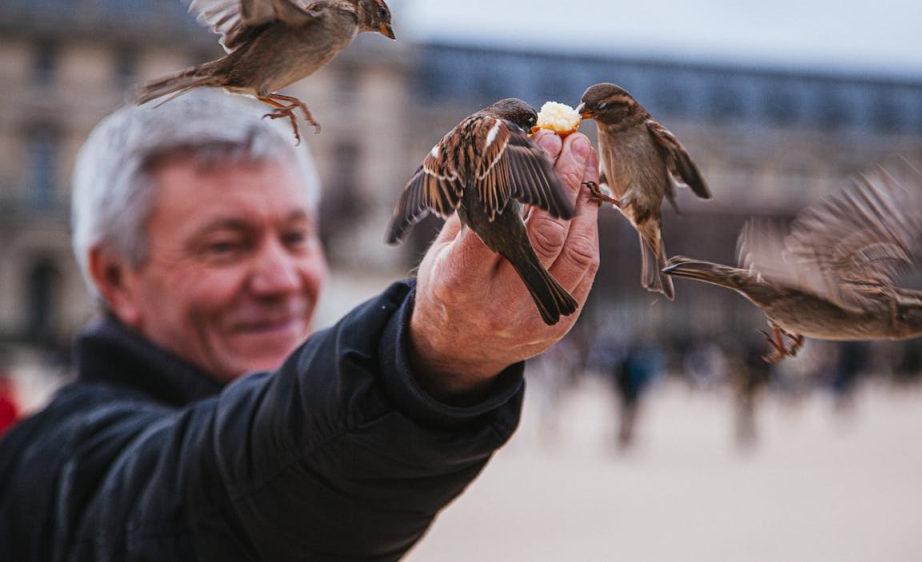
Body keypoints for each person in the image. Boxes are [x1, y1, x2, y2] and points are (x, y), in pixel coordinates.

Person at [0, 90, 600, 560]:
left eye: (295, 236)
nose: (282, 278)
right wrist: (428, 353)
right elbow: (215, 496)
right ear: (115, 276)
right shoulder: (51, 469)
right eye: (224, 245)